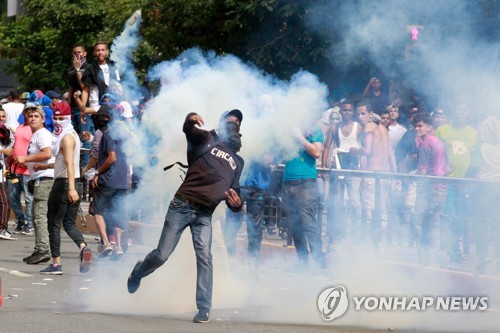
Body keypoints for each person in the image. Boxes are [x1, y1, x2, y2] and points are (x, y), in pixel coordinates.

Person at [127, 109, 244, 324]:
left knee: (205, 256)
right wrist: (190, 117)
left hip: (204, 213)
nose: (234, 123)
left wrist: (237, 205)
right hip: (182, 205)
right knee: (162, 255)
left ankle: (204, 307)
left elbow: (234, 195)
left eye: (237, 122)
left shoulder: (238, 161)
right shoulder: (207, 138)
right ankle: (138, 272)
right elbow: (188, 129)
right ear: (222, 123)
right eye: (230, 119)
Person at [39, 102, 92, 275]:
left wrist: (70, 189)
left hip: (64, 184)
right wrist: (44, 167)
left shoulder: (66, 138)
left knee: (53, 223)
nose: (57, 121)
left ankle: (56, 264)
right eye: (55, 117)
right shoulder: (72, 135)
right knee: (69, 222)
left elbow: (69, 164)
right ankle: (83, 247)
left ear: (68, 118)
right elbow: (64, 162)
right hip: (72, 181)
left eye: (62, 118)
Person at [281, 120, 325, 271]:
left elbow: (316, 152)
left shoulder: (314, 129)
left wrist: (298, 136)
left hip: (306, 182)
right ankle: (303, 263)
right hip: (288, 182)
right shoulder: (288, 130)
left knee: (309, 224)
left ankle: (320, 265)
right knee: (294, 226)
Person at [14, 105, 55, 265]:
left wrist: (26, 159)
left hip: (45, 180)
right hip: (39, 178)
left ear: (43, 119)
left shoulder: (42, 134)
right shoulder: (36, 134)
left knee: (39, 216)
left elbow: (47, 153)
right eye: (30, 116)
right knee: (36, 215)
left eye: (36, 116)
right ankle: (39, 249)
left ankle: (43, 250)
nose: (32, 119)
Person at [91, 104, 129, 258]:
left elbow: (111, 157)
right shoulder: (126, 134)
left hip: (108, 179)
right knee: (117, 213)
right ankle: (118, 246)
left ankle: (106, 243)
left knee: (98, 212)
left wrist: (97, 172)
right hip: (122, 180)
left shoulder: (108, 133)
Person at [412, 113, 448, 266]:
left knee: (422, 225)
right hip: (441, 187)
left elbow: (423, 170)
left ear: (428, 127)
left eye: (420, 125)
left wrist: (419, 192)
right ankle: (440, 260)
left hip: (430, 189)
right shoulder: (437, 141)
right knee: (434, 225)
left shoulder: (426, 143)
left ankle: (426, 262)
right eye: (415, 126)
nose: (416, 128)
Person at [8, 105, 34, 235]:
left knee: (29, 198)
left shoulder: (35, 130)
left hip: (28, 170)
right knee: (13, 196)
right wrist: (9, 162)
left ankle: (29, 224)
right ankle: (21, 220)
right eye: (27, 112)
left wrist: (28, 161)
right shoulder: (19, 128)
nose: (29, 114)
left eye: (32, 112)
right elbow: (15, 145)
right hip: (16, 169)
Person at [0, 109, 14, 240]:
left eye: (3, 116)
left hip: (2, 171)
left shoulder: (6, 131)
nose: (2, 118)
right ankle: (2, 228)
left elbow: (11, 148)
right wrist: (2, 150)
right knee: (5, 202)